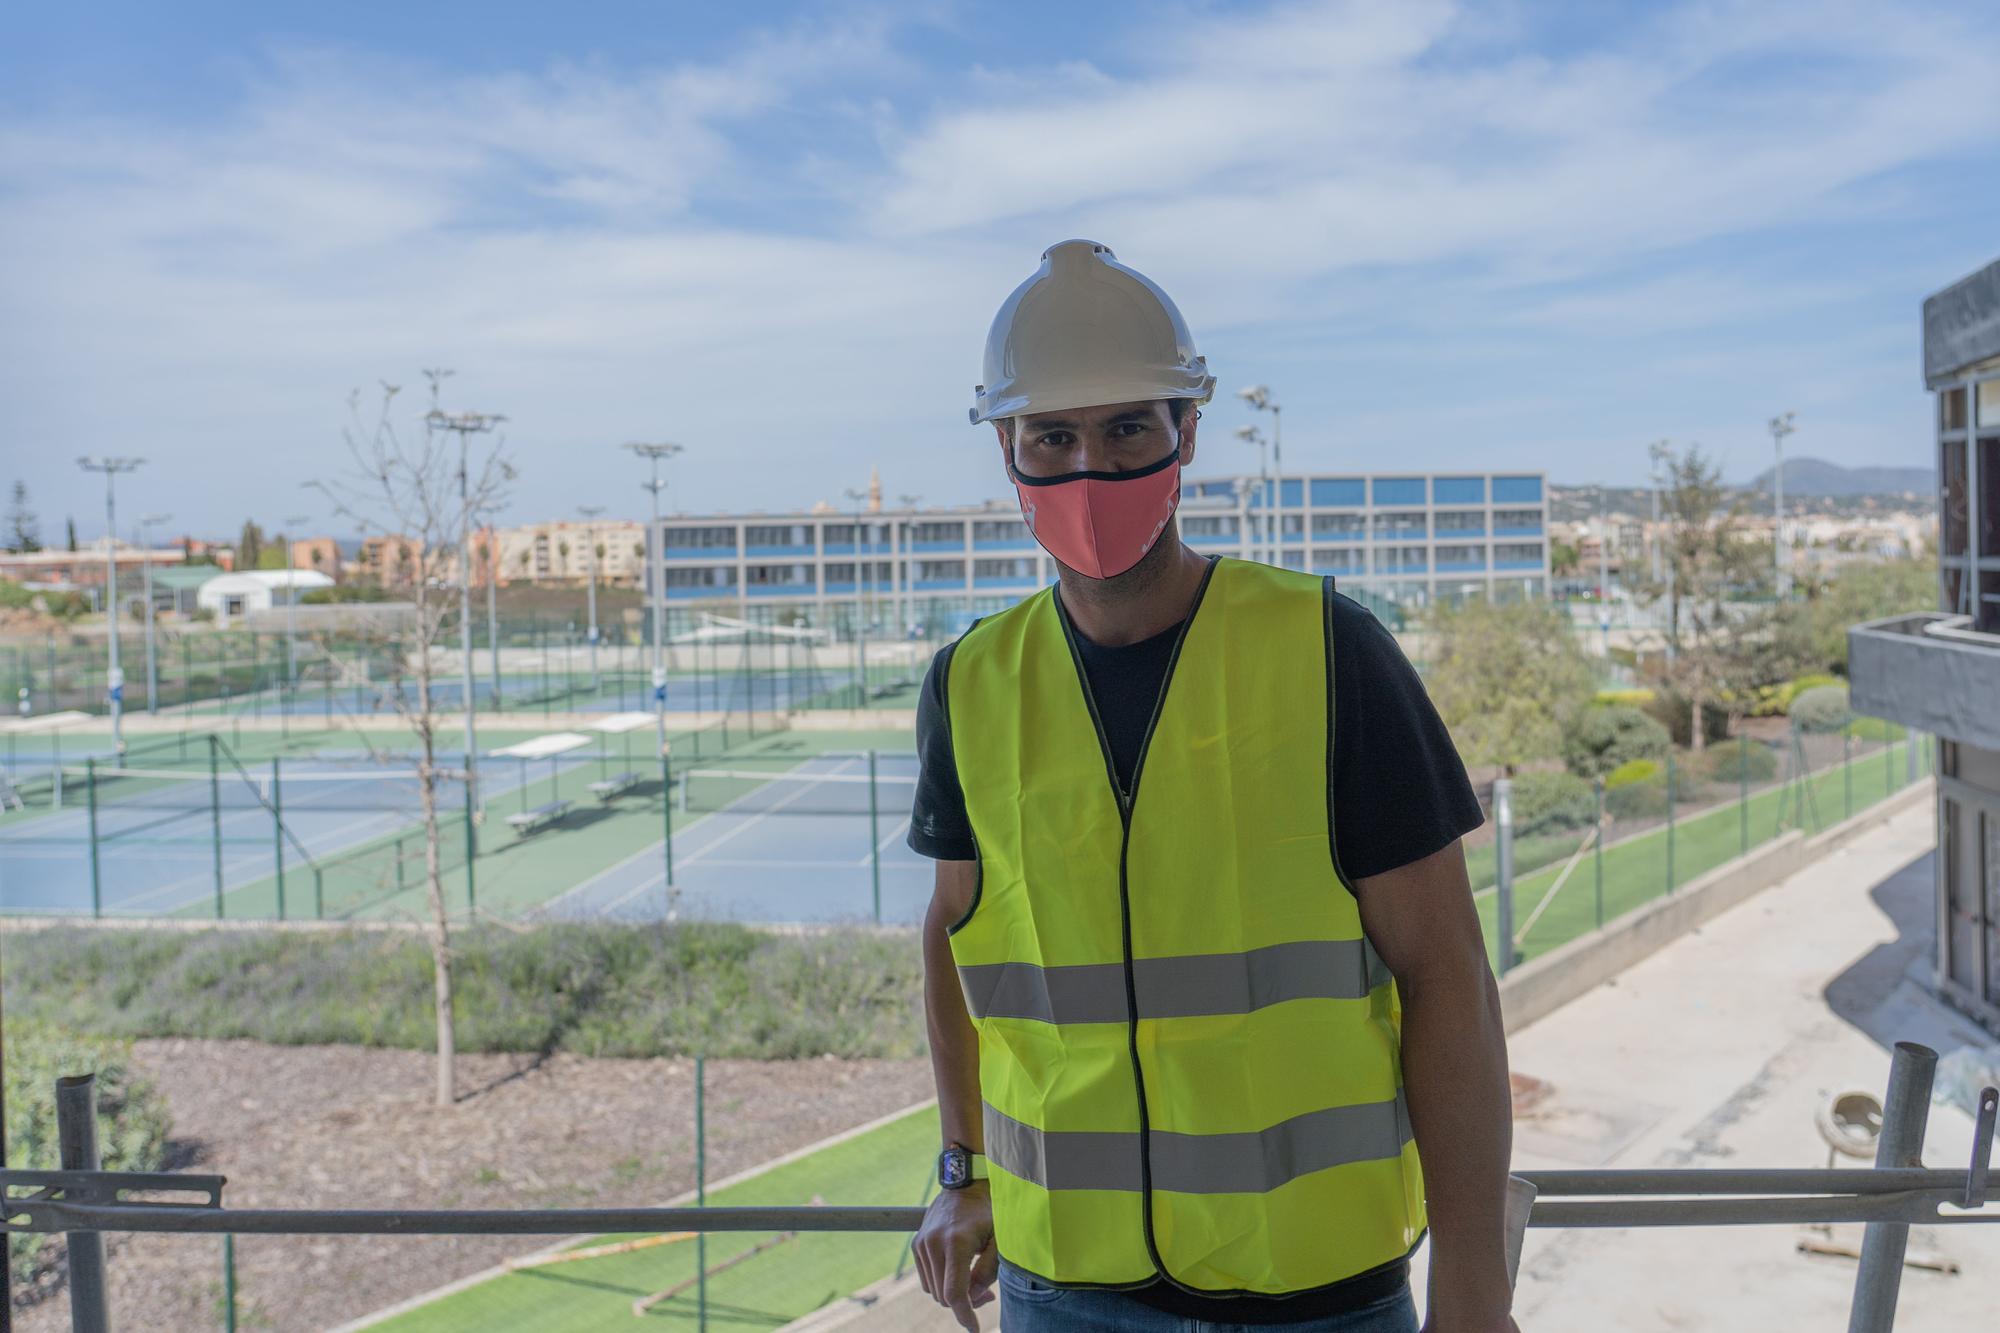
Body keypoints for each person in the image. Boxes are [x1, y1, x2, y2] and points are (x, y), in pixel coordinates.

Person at [907, 241, 1519, 1332]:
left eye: (1125, 429)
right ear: (1007, 448)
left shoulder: (1329, 651)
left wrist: (1472, 1291)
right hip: (1062, 1291)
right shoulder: (970, 685)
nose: (1088, 471)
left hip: (1314, 1293)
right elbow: (953, 946)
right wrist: (961, 1171)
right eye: (1053, 437)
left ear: (1185, 431)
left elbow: (1447, 979)